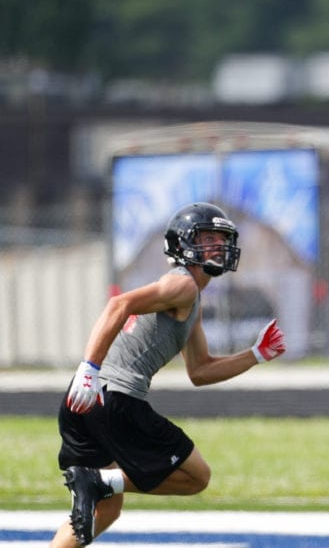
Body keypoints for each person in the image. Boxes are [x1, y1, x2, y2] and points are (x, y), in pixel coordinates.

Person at [51, 202, 286, 546]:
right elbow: (118, 304)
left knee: (107, 510)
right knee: (197, 476)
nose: (218, 246)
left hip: (84, 402)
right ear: (184, 244)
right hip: (113, 396)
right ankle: (98, 480)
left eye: (221, 239)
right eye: (208, 238)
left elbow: (200, 370)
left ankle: (96, 482)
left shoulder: (192, 299)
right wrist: (90, 366)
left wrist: (254, 355)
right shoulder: (184, 286)